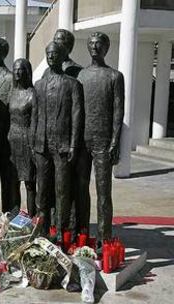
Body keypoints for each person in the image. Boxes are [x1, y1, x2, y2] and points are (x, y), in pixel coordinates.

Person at [30, 42, 83, 240]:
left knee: (62, 190)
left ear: (63, 57)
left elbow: (77, 116)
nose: (51, 56)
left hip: (62, 146)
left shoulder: (73, 84)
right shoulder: (39, 85)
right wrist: (33, 144)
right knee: (42, 190)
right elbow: (34, 116)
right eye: (49, 53)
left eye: (55, 53)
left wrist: (73, 144)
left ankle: (62, 233)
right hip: (42, 145)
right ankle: (42, 232)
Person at [76, 32, 124, 244]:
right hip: (82, 140)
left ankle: (105, 238)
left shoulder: (114, 76)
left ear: (106, 48)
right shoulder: (80, 76)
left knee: (104, 192)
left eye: (99, 44)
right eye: (91, 43)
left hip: (104, 141)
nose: (95, 47)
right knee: (80, 188)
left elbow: (118, 111)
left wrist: (115, 141)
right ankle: (83, 234)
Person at [0, 37, 18, 213]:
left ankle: (10, 216)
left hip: (5, 135)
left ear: (5, 52)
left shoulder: (10, 78)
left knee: (8, 181)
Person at [8, 58, 37, 216]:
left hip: (27, 140)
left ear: (27, 72)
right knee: (14, 182)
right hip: (12, 140)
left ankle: (32, 219)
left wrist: (33, 145)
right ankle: (14, 217)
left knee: (29, 182)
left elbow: (35, 121)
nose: (18, 72)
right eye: (15, 69)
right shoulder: (12, 93)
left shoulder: (32, 94)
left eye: (21, 69)